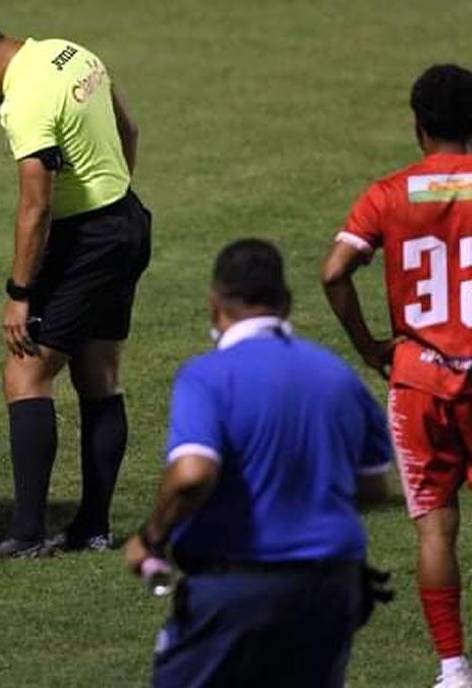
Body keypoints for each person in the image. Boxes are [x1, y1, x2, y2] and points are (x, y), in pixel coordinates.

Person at [0, 10, 151, 560]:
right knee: (98, 374)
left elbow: (36, 203)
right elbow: (128, 129)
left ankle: (25, 532)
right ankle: (90, 529)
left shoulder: (24, 100)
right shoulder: (70, 52)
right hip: (126, 220)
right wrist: (112, 194)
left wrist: (19, 293)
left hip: (85, 242)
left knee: (24, 371)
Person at [124, 239, 393, 687]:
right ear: (286, 304)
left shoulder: (208, 376)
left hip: (238, 584)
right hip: (333, 583)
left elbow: (192, 474)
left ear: (215, 305)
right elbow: (374, 487)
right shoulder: (337, 375)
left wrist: (151, 538)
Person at [321, 63, 472, 687]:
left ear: (418, 127)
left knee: (435, 526)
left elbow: (334, 272)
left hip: (419, 382)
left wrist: (369, 347)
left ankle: (454, 669)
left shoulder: (387, 194)